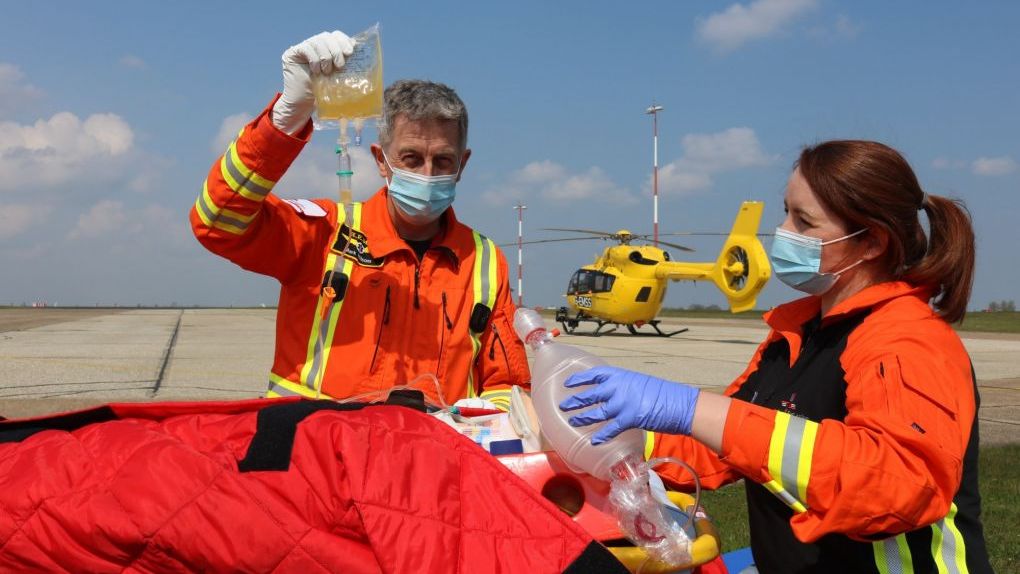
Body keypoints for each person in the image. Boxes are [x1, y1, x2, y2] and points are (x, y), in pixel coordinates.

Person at [560, 140, 992, 573]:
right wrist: (609, 436)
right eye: (786, 212)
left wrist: (694, 409)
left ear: (872, 243)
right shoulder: (795, 335)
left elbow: (896, 484)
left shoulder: (908, 341)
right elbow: (721, 444)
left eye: (804, 222)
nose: (782, 233)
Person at [191, 31, 529, 409]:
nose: (428, 173)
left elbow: (507, 385)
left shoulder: (486, 262)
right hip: (317, 455)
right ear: (381, 159)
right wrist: (285, 120)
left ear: (462, 165)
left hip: (430, 460)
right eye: (412, 158)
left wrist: (489, 422)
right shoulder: (324, 232)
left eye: (443, 161)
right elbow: (217, 221)